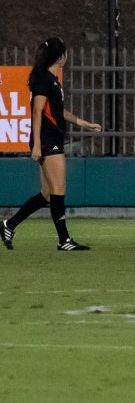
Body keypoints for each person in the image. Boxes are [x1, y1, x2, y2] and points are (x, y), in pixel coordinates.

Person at [2, 37, 101, 251]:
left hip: (52, 138)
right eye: (66, 52)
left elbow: (56, 110)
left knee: (47, 193)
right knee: (58, 189)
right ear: (61, 57)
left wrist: (82, 122)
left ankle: (8, 224)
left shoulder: (53, 80)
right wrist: (37, 145)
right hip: (47, 140)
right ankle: (64, 240)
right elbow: (37, 111)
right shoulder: (44, 79)